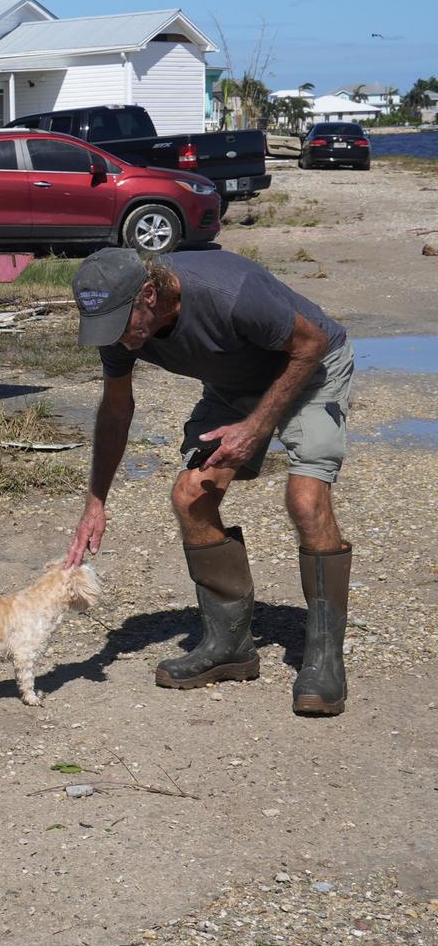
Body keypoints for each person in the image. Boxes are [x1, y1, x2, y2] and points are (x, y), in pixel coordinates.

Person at [62, 246, 354, 716]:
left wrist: (256, 427)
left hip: (309, 368)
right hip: (234, 385)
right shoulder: (117, 324)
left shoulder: (230, 293)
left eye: (122, 325)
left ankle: (324, 661)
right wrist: (95, 502)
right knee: (190, 495)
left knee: (305, 500)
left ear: (150, 295)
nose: (116, 339)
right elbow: (117, 409)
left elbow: (312, 344)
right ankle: (230, 645)